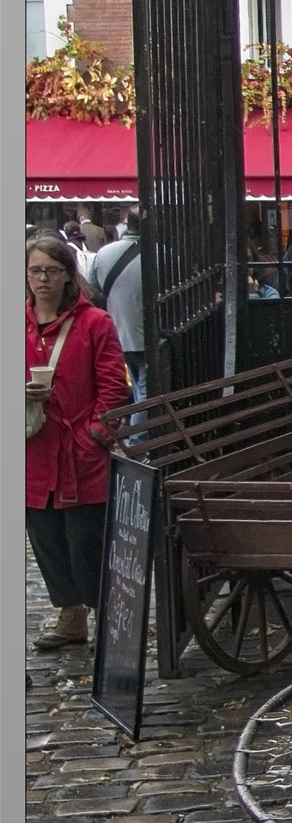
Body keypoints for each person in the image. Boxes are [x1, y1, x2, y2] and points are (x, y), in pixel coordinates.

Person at [26, 232, 129, 649]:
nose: (43, 279)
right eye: (35, 271)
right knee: (46, 536)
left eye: (52, 271)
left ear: (69, 276)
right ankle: (71, 615)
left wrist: (96, 436)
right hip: (34, 446)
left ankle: (104, 613)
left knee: (85, 538)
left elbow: (113, 388)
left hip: (81, 448)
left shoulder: (95, 323)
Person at [90, 209, 146, 399]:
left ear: (127, 223)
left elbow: (93, 290)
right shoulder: (162, 253)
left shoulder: (103, 253)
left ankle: (133, 426)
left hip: (115, 332)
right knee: (147, 393)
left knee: (138, 387)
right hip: (148, 335)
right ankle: (138, 430)